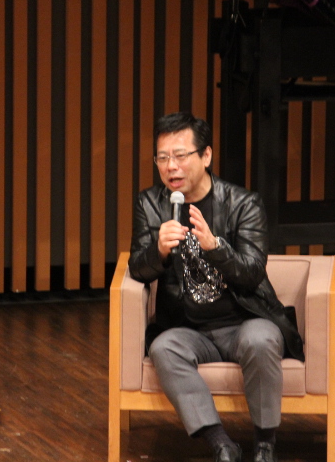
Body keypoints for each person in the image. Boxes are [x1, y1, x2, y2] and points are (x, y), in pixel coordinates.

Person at [128, 112, 304, 462]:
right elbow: (137, 268)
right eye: (162, 158)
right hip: (189, 327)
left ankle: (265, 445)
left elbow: (252, 273)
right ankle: (222, 445)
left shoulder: (243, 204)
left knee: (261, 340)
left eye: (180, 156)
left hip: (245, 321)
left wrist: (216, 247)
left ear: (206, 155)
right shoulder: (150, 204)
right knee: (164, 348)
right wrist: (158, 251)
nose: (171, 167)